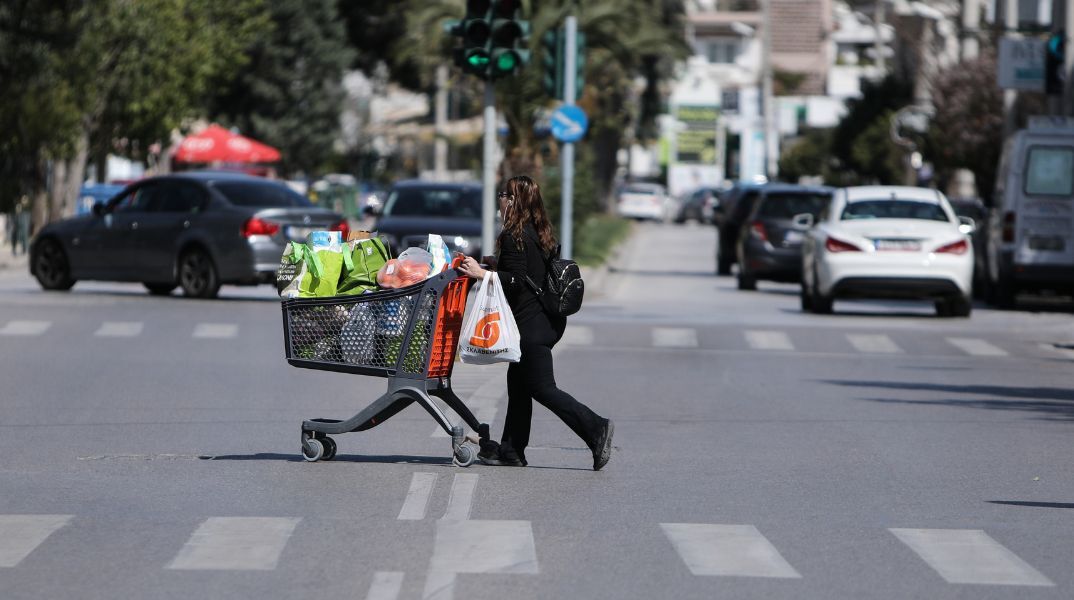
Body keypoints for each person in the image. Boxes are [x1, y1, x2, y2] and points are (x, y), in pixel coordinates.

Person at [456, 175, 614, 471]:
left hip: (531, 327)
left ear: (513, 201)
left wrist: (482, 273)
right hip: (543, 322)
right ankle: (512, 451)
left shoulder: (512, 236)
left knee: (542, 388)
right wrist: (496, 264)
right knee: (518, 387)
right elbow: (528, 271)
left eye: (503, 195)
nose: (500, 200)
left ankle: (596, 428)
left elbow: (516, 281)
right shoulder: (537, 232)